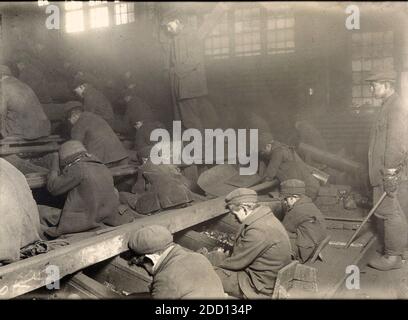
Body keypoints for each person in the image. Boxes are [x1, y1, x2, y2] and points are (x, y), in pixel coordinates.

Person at [211, 188, 292, 299]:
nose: (234, 219)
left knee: (206, 273)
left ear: (244, 208)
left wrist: (213, 263)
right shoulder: (266, 218)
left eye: (235, 214)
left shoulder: (258, 230)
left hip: (257, 286)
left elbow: (236, 263)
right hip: (268, 278)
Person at [160, 4, 230, 131]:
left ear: (177, 21)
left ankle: (199, 147)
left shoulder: (192, 35)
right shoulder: (177, 37)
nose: (168, 29)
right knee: (200, 119)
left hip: (187, 87)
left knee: (190, 121)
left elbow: (194, 59)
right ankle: (204, 144)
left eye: (169, 26)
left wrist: (175, 72)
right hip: (187, 87)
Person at [365, 70, 408, 271]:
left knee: (390, 213)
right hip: (384, 171)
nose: (371, 88)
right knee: (396, 211)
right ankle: (400, 251)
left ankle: (393, 256)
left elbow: (398, 143)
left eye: (374, 85)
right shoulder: (387, 106)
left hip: (388, 172)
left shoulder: (395, 108)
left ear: (387, 84)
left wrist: (390, 171)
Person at [41, 140, 127, 238]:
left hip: (86, 221)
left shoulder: (78, 168)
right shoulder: (101, 166)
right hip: (105, 216)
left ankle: (44, 239)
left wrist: (54, 164)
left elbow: (53, 188)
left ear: (67, 160)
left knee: (40, 211)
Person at [128, 225, 226, 299]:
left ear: (152, 258)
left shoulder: (166, 278)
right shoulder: (198, 257)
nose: (149, 274)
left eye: (144, 267)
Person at [280, 179, 328, 263]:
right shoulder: (308, 203)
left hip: (305, 250)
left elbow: (283, 229)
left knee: (275, 238)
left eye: (285, 199)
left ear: (293, 197)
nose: (284, 202)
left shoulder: (297, 210)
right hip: (315, 243)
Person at [259, 134, 320, 200]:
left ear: (268, 146)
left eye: (262, 151)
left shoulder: (278, 152)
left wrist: (258, 190)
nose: (263, 154)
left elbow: (269, 175)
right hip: (309, 186)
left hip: (306, 189)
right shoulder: (284, 148)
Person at [0, 64, 51, 140]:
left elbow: (1, 113)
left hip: (24, 133)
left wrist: (3, 135)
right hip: (43, 131)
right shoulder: (23, 85)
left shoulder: (2, 86)